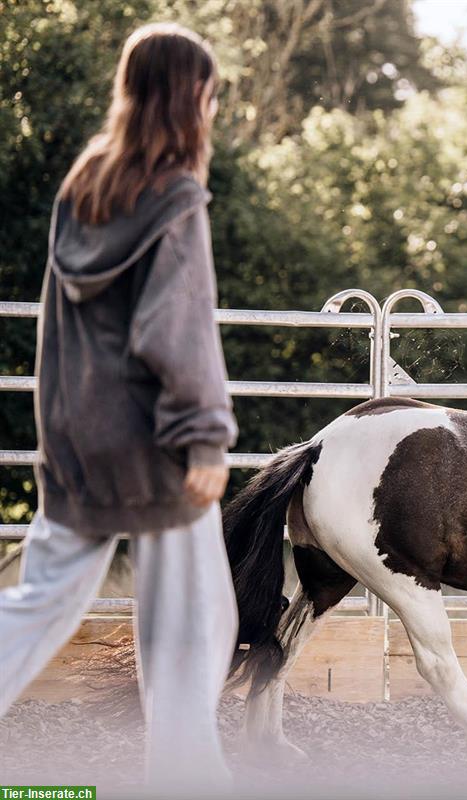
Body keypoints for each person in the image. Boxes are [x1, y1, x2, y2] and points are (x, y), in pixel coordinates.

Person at [0, 22, 238, 790]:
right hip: (157, 451)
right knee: (193, 628)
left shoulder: (84, 185)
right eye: (207, 91)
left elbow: (58, 331)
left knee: (36, 606)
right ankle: (188, 780)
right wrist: (205, 439)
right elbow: (178, 330)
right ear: (185, 96)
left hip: (78, 440)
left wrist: (56, 437)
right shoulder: (174, 199)